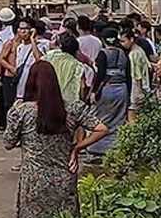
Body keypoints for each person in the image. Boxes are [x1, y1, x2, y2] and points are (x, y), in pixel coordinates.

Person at [3, 62, 108, 218]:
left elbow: (8, 143)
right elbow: (102, 129)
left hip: (33, 180)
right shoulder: (72, 108)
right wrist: (76, 148)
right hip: (64, 177)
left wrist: (13, 113)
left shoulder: (22, 111)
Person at [87, 27, 131, 157]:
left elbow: (100, 75)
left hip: (106, 89)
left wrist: (94, 91)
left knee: (102, 118)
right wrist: (128, 93)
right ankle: (116, 146)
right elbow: (129, 75)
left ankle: (98, 146)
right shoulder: (123, 53)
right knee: (119, 119)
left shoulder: (102, 54)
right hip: (122, 89)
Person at [0, 18, 42, 113]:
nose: (23, 31)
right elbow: (1, 59)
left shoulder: (38, 45)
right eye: (21, 28)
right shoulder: (17, 46)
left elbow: (39, 59)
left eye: (26, 29)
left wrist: (32, 40)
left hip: (31, 85)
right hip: (18, 84)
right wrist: (11, 69)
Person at [44, 32, 85, 105]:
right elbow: (82, 86)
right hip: (69, 102)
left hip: (49, 98)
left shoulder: (50, 57)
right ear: (76, 50)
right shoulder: (78, 66)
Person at [120, 28, 151, 121]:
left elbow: (137, 76)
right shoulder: (140, 50)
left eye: (123, 41)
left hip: (136, 90)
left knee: (132, 119)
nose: (122, 44)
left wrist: (137, 94)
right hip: (143, 89)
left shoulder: (134, 54)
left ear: (131, 39)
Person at [0, 8, 17, 129]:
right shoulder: (16, 33)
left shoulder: (0, 35)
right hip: (16, 68)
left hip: (6, 70)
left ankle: (5, 123)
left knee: (5, 98)